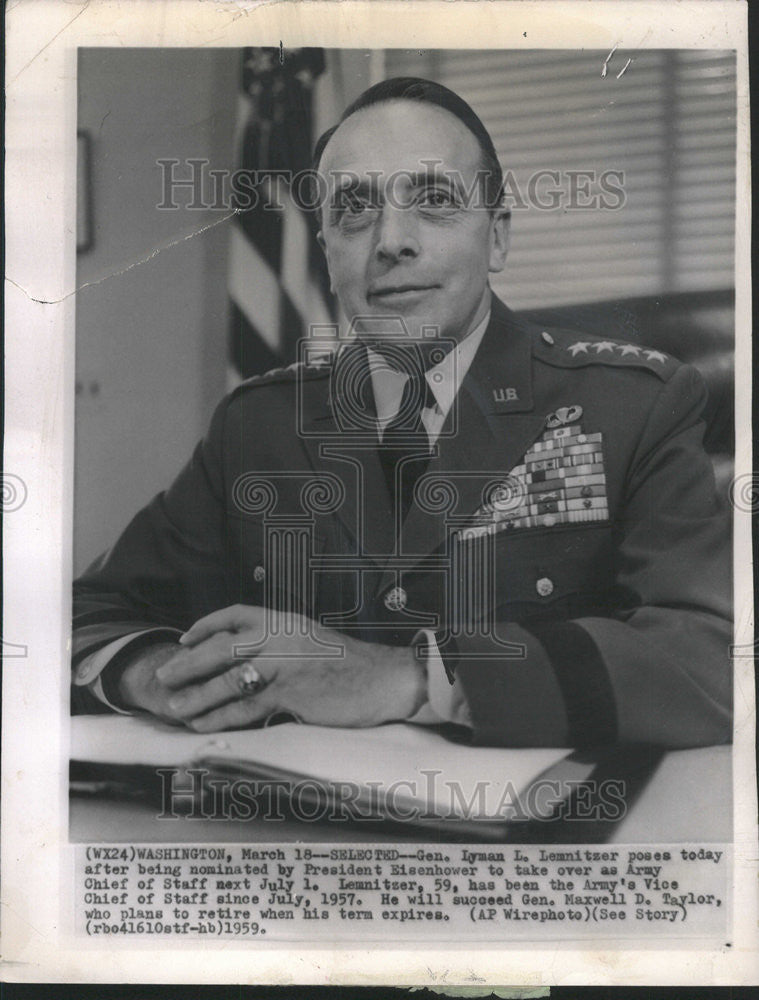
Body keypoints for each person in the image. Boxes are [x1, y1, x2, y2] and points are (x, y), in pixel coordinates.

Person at [72, 77, 732, 748]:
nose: (391, 240)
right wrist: (153, 673)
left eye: (435, 200)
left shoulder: (630, 406)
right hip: (293, 832)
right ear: (327, 251)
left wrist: (408, 678)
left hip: (535, 831)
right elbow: (87, 612)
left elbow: (712, 658)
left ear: (497, 238)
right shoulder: (258, 425)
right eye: (352, 210)